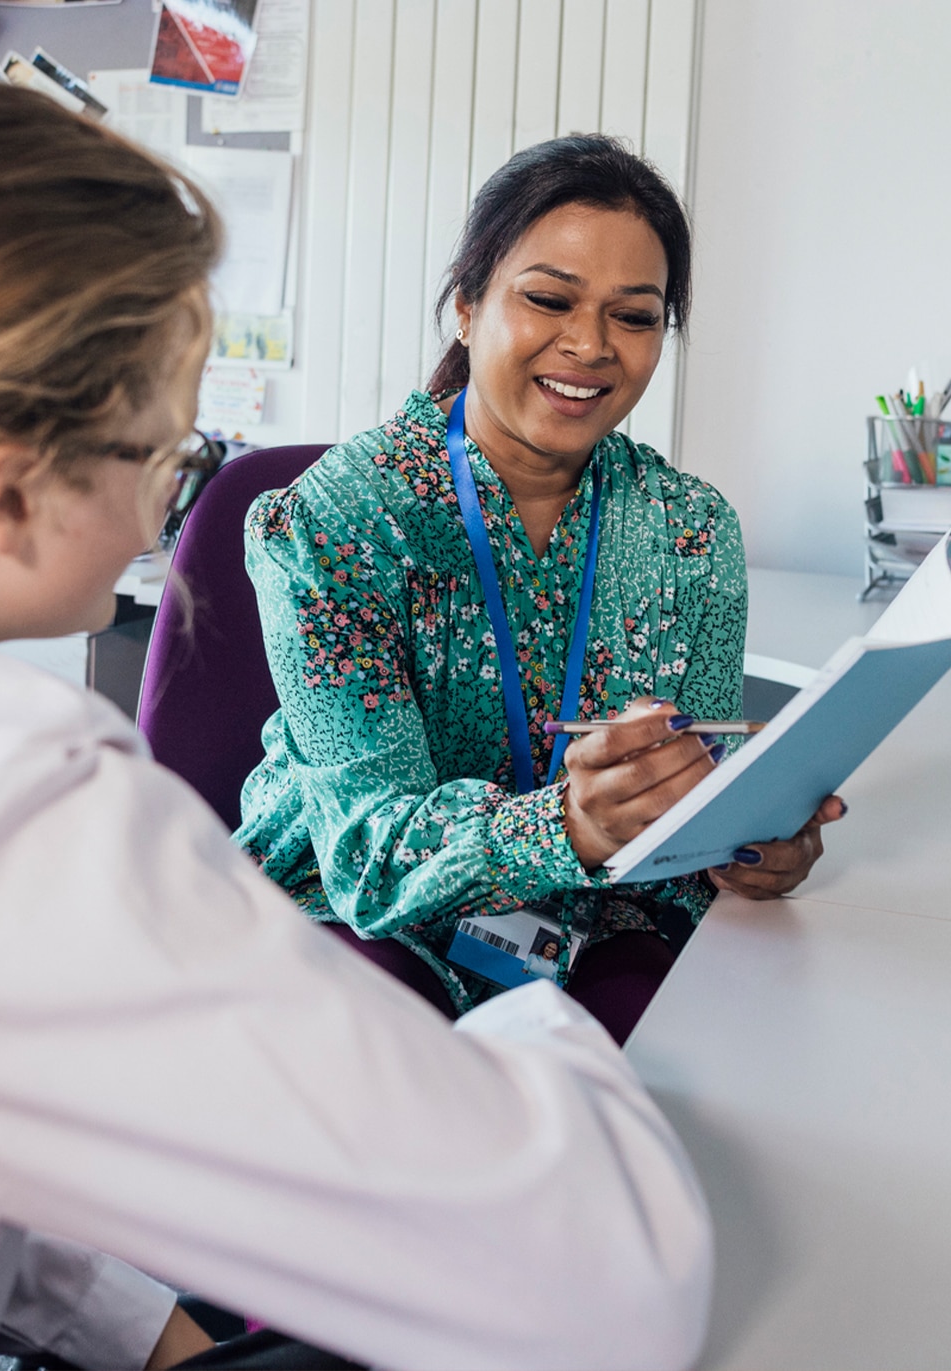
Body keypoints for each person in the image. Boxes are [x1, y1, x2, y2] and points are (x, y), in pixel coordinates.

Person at [0, 84, 713, 1371]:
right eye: (170, 451)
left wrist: (144, 1329)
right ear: (1, 493)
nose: (168, 520)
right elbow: (603, 1285)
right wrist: (531, 1023)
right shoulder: (3, 789)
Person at [235, 136, 843, 1030]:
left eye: (634, 317)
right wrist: (566, 826)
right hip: (355, 922)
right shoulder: (337, 522)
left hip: (593, 919)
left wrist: (750, 839)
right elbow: (367, 852)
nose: (591, 345)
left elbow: (703, 777)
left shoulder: (691, 529)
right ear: (467, 307)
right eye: (550, 299)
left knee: (709, 1074)